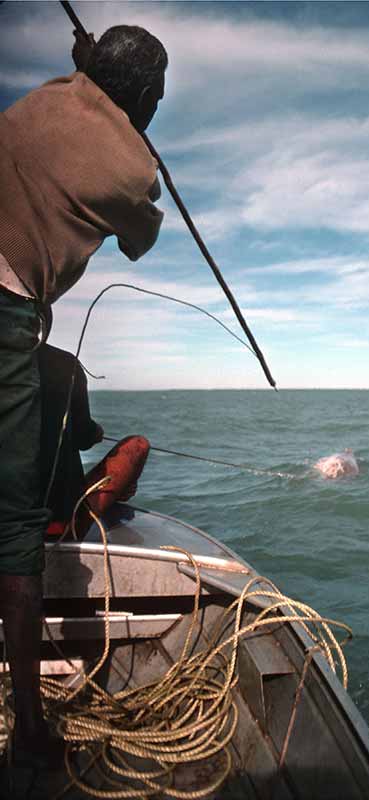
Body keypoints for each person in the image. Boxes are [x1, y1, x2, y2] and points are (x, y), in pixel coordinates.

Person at [0, 25, 167, 768]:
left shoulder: (47, 96)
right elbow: (139, 241)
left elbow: (88, 94)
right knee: (16, 527)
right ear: (148, 97)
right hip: (5, 305)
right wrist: (143, 152)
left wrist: (85, 70)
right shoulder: (134, 169)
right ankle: (33, 733)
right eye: (158, 97)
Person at [39, 343, 150, 541]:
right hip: (54, 529)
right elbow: (84, 438)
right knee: (137, 445)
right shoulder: (64, 363)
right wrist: (96, 432)